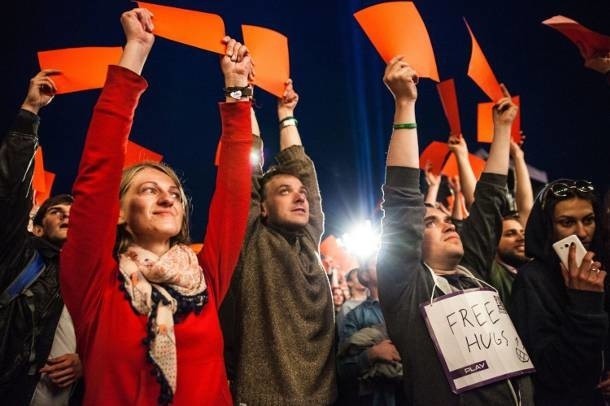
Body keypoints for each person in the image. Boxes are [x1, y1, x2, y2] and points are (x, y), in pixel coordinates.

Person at [59, 8, 253, 405]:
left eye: (174, 192)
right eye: (148, 190)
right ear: (119, 213)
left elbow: (234, 194)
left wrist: (237, 91)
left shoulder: (205, 280)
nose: (168, 196)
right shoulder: (95, 282)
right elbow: (98, 171)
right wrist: (135, 52)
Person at [377, 56, 533, 404]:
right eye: (429, 222)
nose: (447, 221)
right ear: (412, 242)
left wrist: (503, 128)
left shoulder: (474, 271)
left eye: (445, 218)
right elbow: (402, 197)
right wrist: (405, 104)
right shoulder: (406, 287)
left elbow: (490, 200)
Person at [221, 79, 336, 404]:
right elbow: (247, 166)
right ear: (263, 208)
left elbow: (304, 173)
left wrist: (287, 115)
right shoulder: (255, 240)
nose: (300, 197)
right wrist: (241, 95)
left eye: (301, 193)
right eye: (284, 192)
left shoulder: (308, 239)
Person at [0, 70, 82, 405]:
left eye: (74, 211)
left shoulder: (98, 275)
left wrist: (86, 362)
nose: (66, 214)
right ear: (36, 226)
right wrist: (30, 111)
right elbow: (10, 191)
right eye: (55, 211)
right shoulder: (18, 255)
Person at [511, 179, 609, 405]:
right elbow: (551, 371)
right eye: (567, 222)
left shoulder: (603, 265)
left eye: (589, 220)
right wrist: (585, 303)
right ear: (548, 227)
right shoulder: (532, 279)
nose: (582, 232)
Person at [337, 261, 404, 405]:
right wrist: (373, 353)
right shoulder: (356, 316)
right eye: (376, 261)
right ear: (365, 275)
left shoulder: (409, 305)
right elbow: (343, 369)